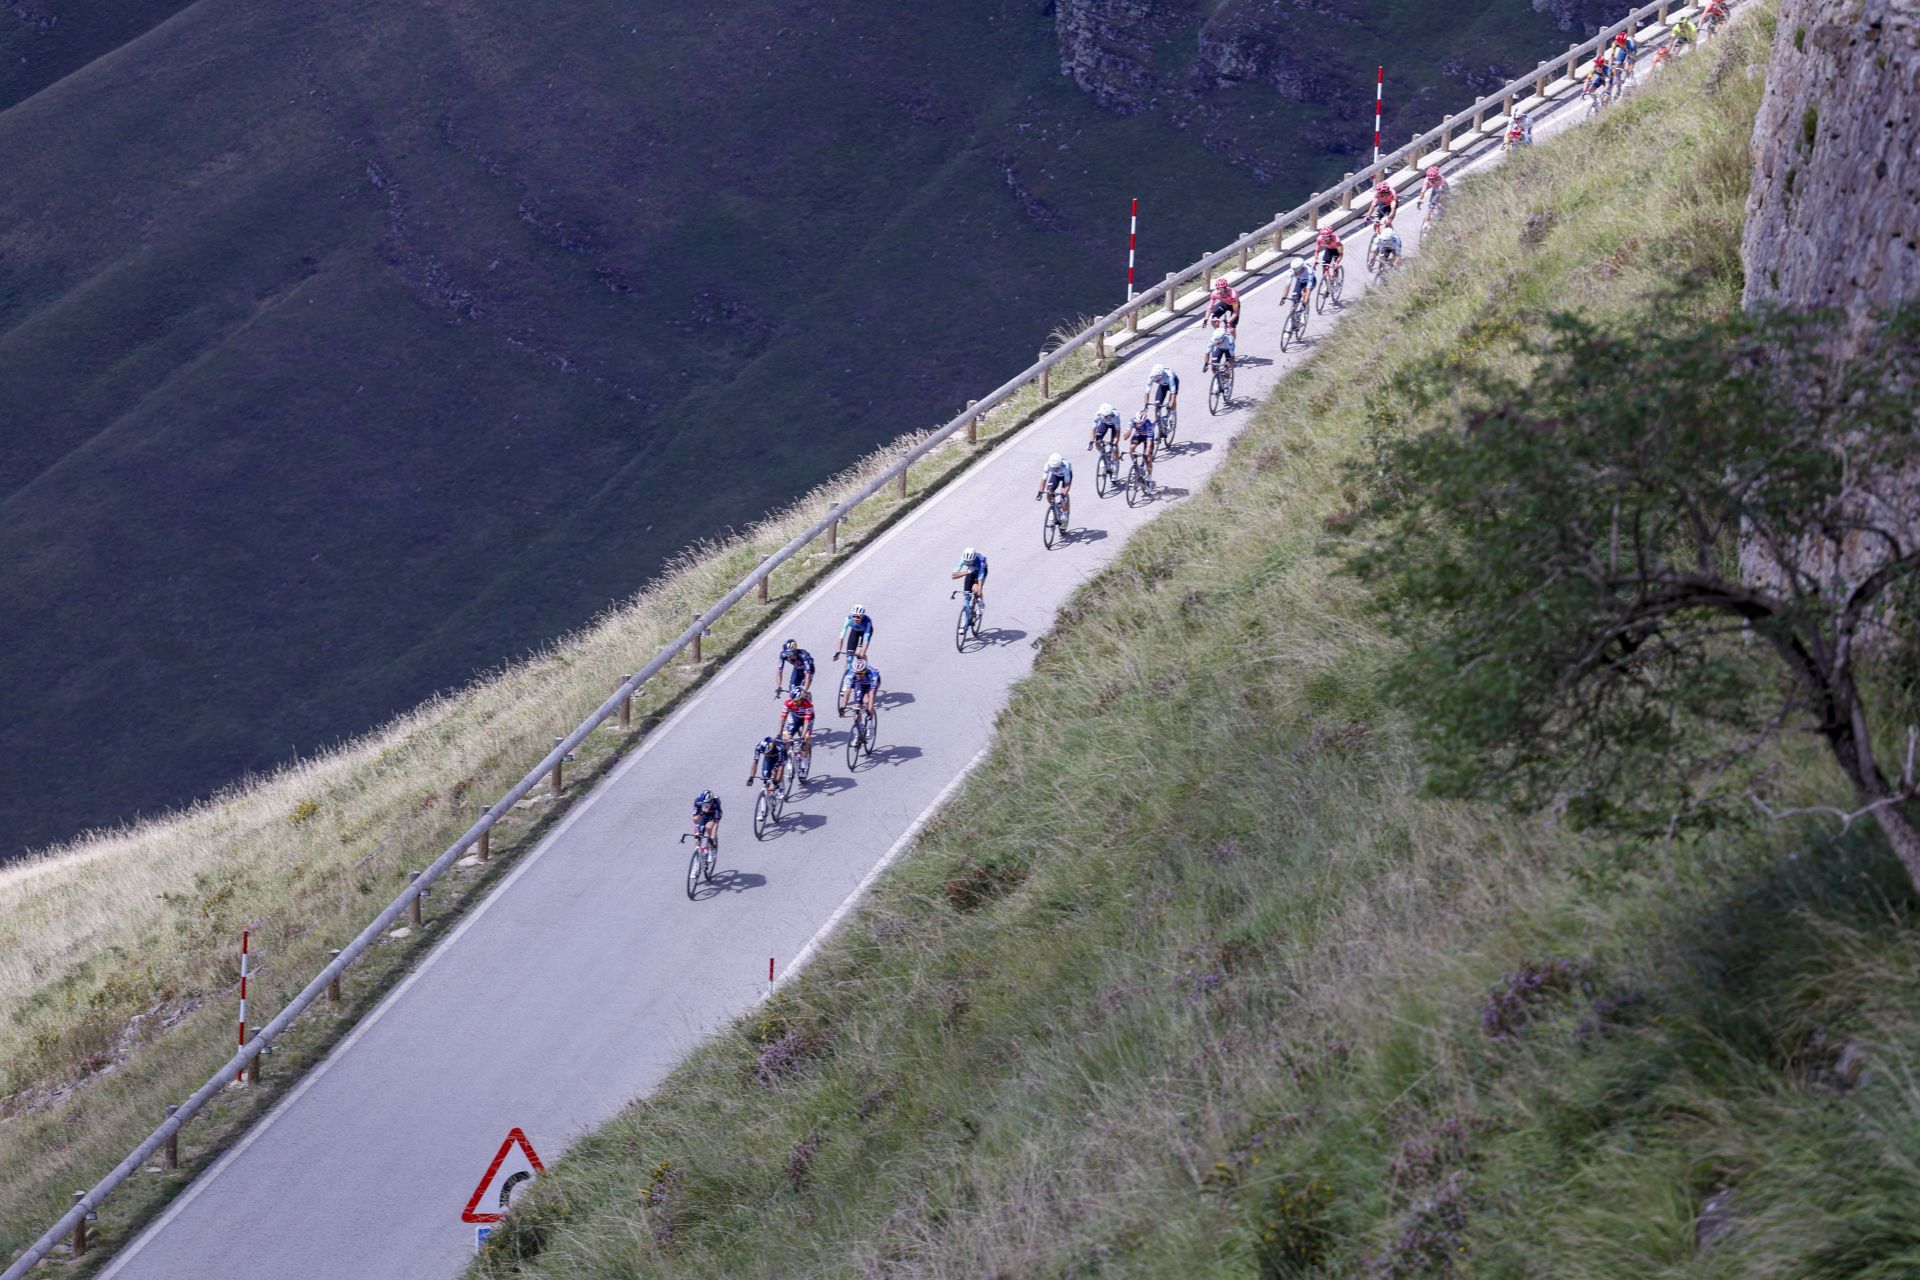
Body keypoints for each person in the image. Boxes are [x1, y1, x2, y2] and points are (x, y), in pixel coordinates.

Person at [833, 604, 874, 716]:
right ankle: (847, 676)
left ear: (862, 616)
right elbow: (842, 636)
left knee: (860, 653)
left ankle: (863, 667)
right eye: (854, 616)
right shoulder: (848, 619)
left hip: (865, 632)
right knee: (849, 656)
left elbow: (865, 641)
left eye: (858, 617)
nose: (856, 618)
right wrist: (838, 651)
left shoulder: (867, 622)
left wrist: (862, 653)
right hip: (855, 632)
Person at [1036, 451, 1073, 529]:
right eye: (1053, 467)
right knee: (1049, 492)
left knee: (1064, 495)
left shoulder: (1066, 466)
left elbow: (1067, 484)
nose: (1055, 468)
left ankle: (1065, 514)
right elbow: (1043, 481)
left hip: (1065, 476)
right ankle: (1054, 508)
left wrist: (1064, 494)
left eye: (1056, 467)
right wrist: (1040, 493)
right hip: (1055, 476)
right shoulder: (1047, 465)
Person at [778, 686, 815, 754]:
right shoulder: (788, 703)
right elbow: (783, 719)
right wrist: (779, 733)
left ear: (801, 699)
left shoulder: (807, 705)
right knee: (787, 739)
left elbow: (806, 722)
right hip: (796, 718)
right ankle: (788, 758)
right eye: (793, 700)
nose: (794, 703)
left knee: (805, 740)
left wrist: (802, 737)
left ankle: (805, 760)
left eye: (796, 701)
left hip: (807, 719)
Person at [846, 657, 882, 723]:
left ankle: (870, 724)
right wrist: (842, 707)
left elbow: (871, 693)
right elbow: (847, 691)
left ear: (865, 671)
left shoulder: (872, 674)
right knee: (857, 707)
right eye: (857, 673)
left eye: (860, 673)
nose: (858, 675)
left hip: (871, 683)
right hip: (861, 683)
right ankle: (859, 726)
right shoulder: (851, 673)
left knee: (867, 701)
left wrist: (869, 710)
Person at [1127, 410, 1157, 486]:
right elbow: (1125, 437)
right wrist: (1129, 430)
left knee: (1148, 458)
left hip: (1148, 438)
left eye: (1141, 423)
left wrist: (1147, 452)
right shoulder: (1132, 421)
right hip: (1139, 435)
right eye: (1138, 423)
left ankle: (1149, 476)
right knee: (1132, 447)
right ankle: (1135, 466)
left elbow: (1149, 443)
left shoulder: (1148, 425)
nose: (1139, 424)